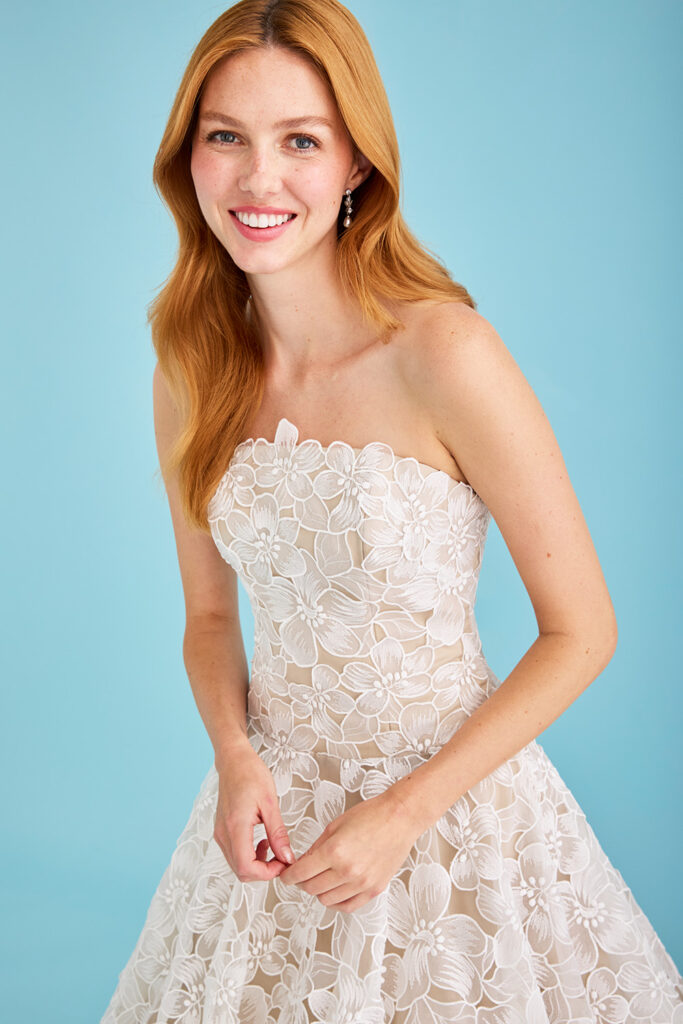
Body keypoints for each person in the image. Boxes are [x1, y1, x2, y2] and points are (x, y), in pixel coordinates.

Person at [100, 0, 683, 1020]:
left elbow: (581, 630)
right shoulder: (187, 372)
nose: (256, 179)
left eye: (300, 142)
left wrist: (402, 812)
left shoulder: (443, 353)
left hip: (448, 814)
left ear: (355, 165)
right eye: (224, 136)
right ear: (186, 155)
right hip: (268, 836)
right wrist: (234, 759)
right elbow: (206, 619)